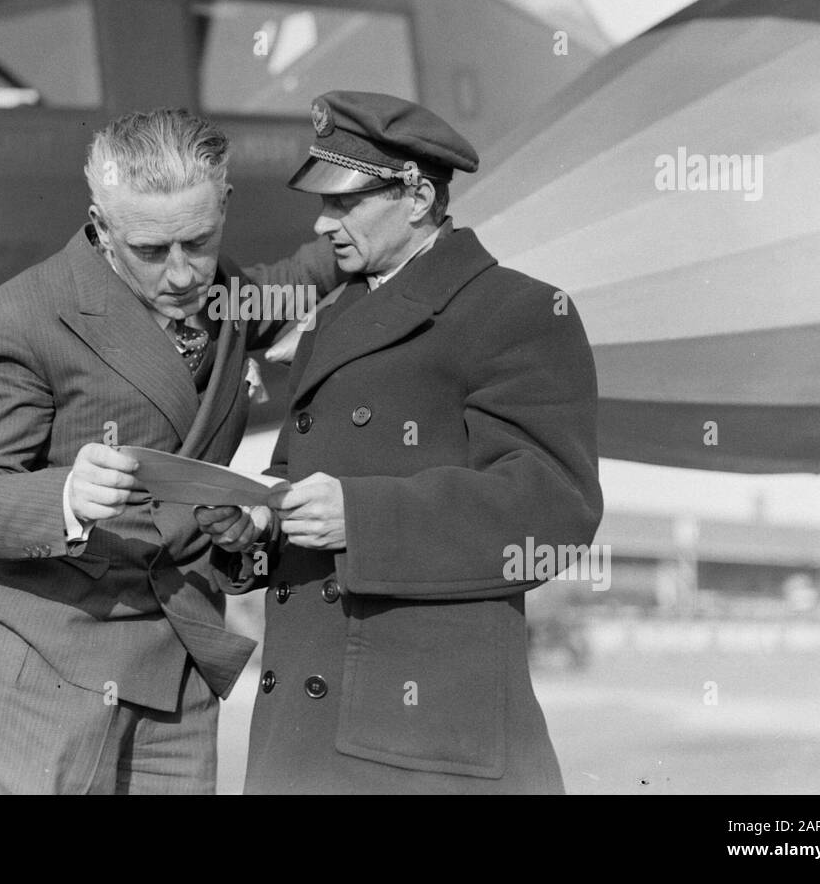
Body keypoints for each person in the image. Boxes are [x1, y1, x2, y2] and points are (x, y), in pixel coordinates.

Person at [0, 107, 339, 794]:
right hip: (38, 686)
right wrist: (64, 496)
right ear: (100, 224)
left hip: (174, 682)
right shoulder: (23, 318)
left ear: (224, 207)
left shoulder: (229, 296)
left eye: (199, 241)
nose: (182, 274)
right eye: (151, 250)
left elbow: (324, 265)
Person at [214, 91, 603, 793]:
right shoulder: (337, 318)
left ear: (418, 195)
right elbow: (297, 476)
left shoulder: (517, 311)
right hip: (309, 738)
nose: (322, 222)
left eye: (344, 203)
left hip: (420, 744)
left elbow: (553, 506)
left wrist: (360, 519)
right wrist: (260, 526)